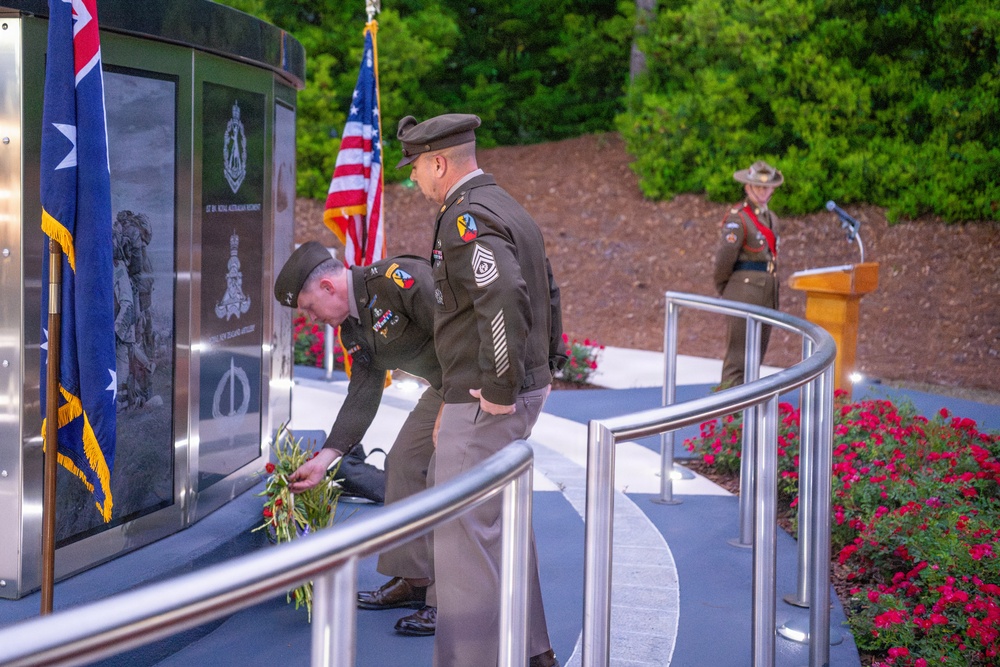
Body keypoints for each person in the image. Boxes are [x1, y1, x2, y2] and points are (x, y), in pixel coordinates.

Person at [396, 112, 564, 667]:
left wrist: (498, 384)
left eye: (417, 167)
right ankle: (531, 652)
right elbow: (548, 287)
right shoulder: (504, 204)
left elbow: (505, 293)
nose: (414, 178)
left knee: (463, 543)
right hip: (500, 391)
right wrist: (548, 363)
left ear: (440, 162)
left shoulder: (464, 218)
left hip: (485, 399)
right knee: (501, 530)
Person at [273, 242, 442, 636]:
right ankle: (413, 581)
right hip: (444, 386)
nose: (312, 319)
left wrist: (455, 402)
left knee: (448, 471)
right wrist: (326, 458)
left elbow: (461, 333)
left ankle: (445, 599)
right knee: (402, 462)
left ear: (330, 287)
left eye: (310, 308)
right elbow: (364, 391)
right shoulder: (353, 325)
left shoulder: (398, 280)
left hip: (478, 379)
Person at [713, 160, 783, 387]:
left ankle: (747, 412)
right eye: (757, 187)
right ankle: (731, 415)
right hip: (743, 291)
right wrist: (724, 286)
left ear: (773, 189)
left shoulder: (771, 218)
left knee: (755, 358)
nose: (762, 191)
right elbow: (725, 258)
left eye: (766, 187)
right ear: (747, 187)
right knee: (738, 358)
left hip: (767, 292)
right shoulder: (738, 218)